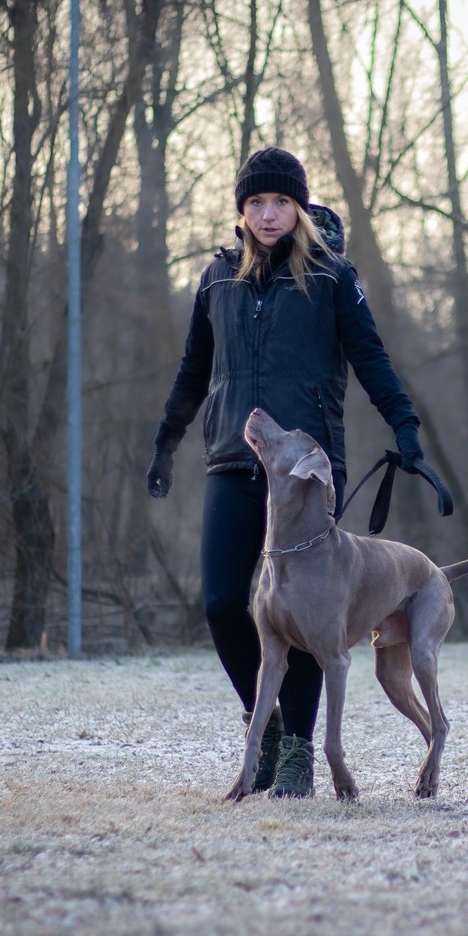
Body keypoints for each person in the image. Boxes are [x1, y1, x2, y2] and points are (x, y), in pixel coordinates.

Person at [146, 147, 424, 798]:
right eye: (256, 202)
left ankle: (298, 752)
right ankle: (266, 726)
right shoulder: (217, 280)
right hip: (233, 459)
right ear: (241, 210)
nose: (268, 214)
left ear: (298, 208)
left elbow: (371, 357)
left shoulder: (331, 276)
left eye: (280, 202)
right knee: (222, 603)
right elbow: (193, 371)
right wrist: (165, 443)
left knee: (311, 614)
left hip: (306, 471)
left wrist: (405, 426)